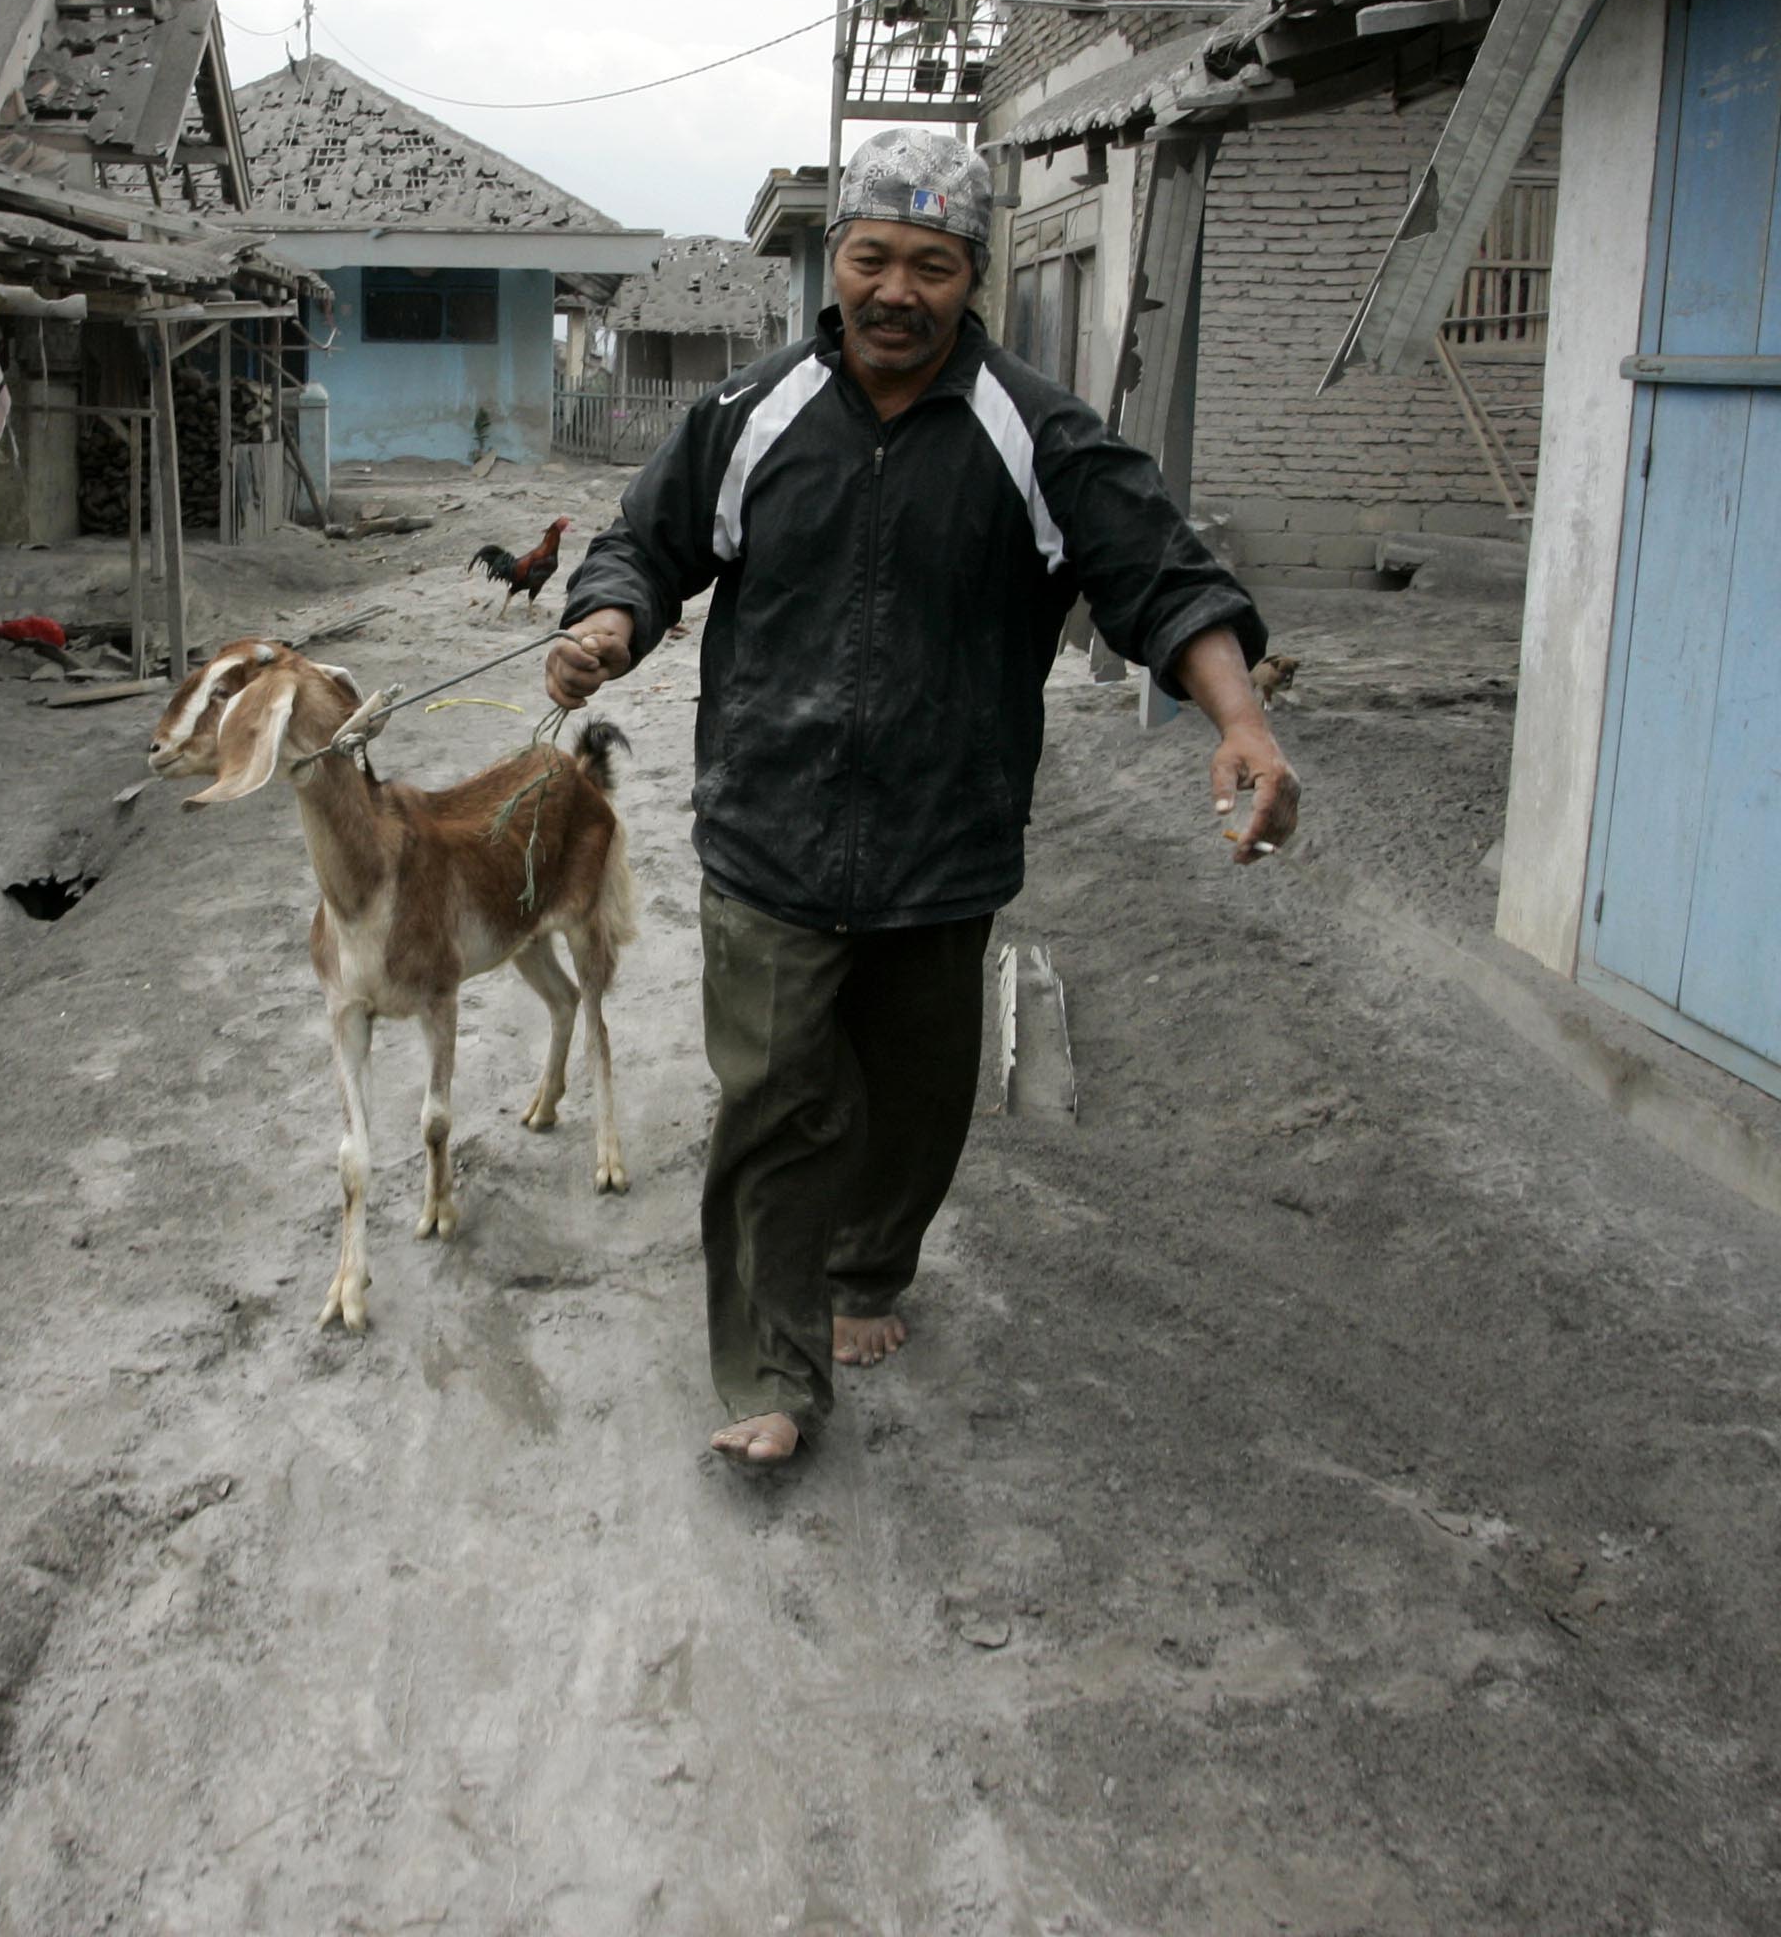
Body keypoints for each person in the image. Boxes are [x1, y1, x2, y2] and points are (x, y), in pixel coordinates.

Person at [547, 128, 1298, 1468]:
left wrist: (1237, 719)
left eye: (933, 266)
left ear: (973, 279)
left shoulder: (1038, 436)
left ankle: (869, 1266)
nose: (898, 290)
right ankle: (772, 1374)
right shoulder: (751, 415)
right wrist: (609, 623)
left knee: (914, 1098)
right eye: (873, 258)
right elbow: (643, 545)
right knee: (774, 1096)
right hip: (771, 824)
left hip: (945, 836)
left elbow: (1161, 576)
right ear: (836, 264)